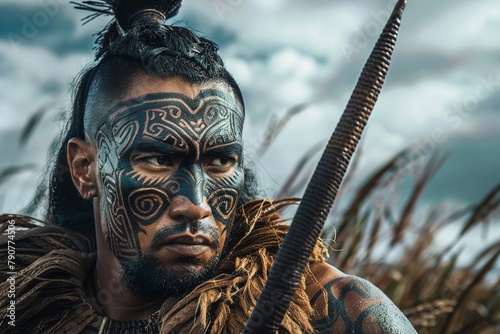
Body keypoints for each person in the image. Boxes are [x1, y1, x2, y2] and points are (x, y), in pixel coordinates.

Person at [0, 0, 416, 332]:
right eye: (159, 159)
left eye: (220, 160)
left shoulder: (331, 313)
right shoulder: (16, 305)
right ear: (84, 168)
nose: (196, 205)